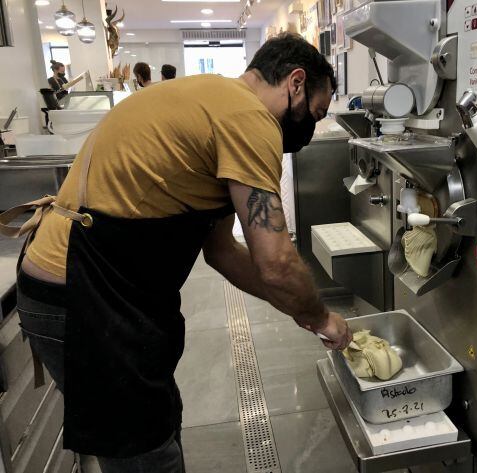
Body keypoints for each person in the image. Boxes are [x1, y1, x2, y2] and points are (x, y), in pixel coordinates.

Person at [4, 33, 350, 472]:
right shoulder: (249, 118)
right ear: (295, 83)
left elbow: (223, 252)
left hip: (103, 286)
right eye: (315, 114)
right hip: (82, 292)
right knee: (143, 450)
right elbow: (277, 263)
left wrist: (298, 309)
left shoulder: (213, 101)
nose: (310, 128)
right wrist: (320, 317)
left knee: (158, 421)